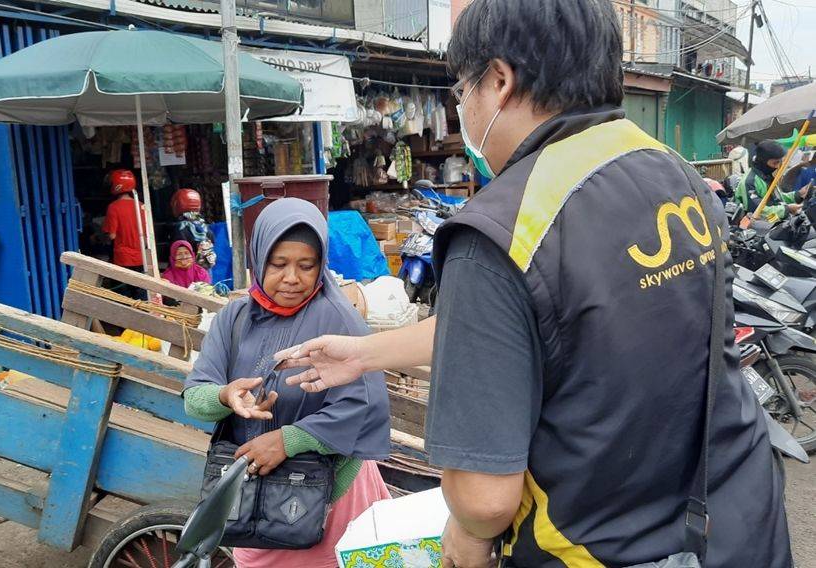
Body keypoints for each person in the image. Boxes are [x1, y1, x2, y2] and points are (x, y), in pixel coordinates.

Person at [276, 1, 793, 567]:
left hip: (595, 549)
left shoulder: (502, 227)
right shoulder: (674, 172)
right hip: (741, 520)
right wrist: (363, 355)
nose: (461, 109)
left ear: (498, 81)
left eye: (460, 89)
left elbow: (484, 498)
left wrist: (468, 535)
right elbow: (539, 324)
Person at [182, 198, 391, 568]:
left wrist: (287, 440)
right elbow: (194, 397)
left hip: (332, 495)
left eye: (306, 266)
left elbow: (364, 404)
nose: (292, 278)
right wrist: (225, 395)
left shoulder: (340, 320)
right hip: (252, 496)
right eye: (278, 264)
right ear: (259, 259)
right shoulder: (234, 319)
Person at [102, 169, 148, 299]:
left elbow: (112, 236)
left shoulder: (113, 207)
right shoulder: (142, 206)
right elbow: (145, 236)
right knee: (141, 297)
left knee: (123, 298)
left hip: (122, 260)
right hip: (141, 258)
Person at [735, 140, 804, 221]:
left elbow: (776, 198)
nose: (777, 166)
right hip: (757, 226)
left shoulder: (766, 175)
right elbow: (757, 211)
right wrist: (787, 209)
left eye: (779, 162)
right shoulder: (750, 181)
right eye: (774, 163)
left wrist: (798, 195)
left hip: (774, 221)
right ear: (762, 161)